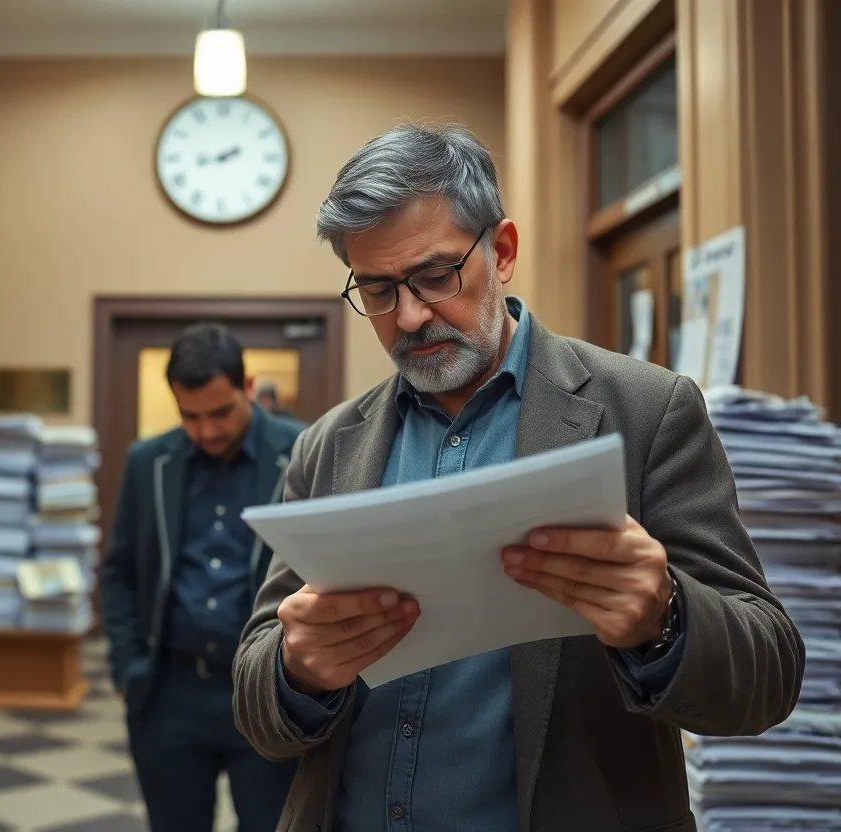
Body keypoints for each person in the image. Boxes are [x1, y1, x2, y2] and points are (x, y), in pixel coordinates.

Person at [231, 123, 805, 832]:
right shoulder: (329, 445)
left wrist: (666, 618)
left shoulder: (646, 411)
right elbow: (258, 701)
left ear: (501, 251)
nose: (409, 316)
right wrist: (298, 671)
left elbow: (769, 676)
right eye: (378, 291)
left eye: (436, 276)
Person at [101, 322, 304, 832]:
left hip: (266, 690)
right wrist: (127, 667)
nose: (207, 430)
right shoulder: (149, 461)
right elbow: (120, 570)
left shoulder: (303, 451)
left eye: (220, 413)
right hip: (169, 694)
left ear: (248, 387)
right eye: (189, 417)